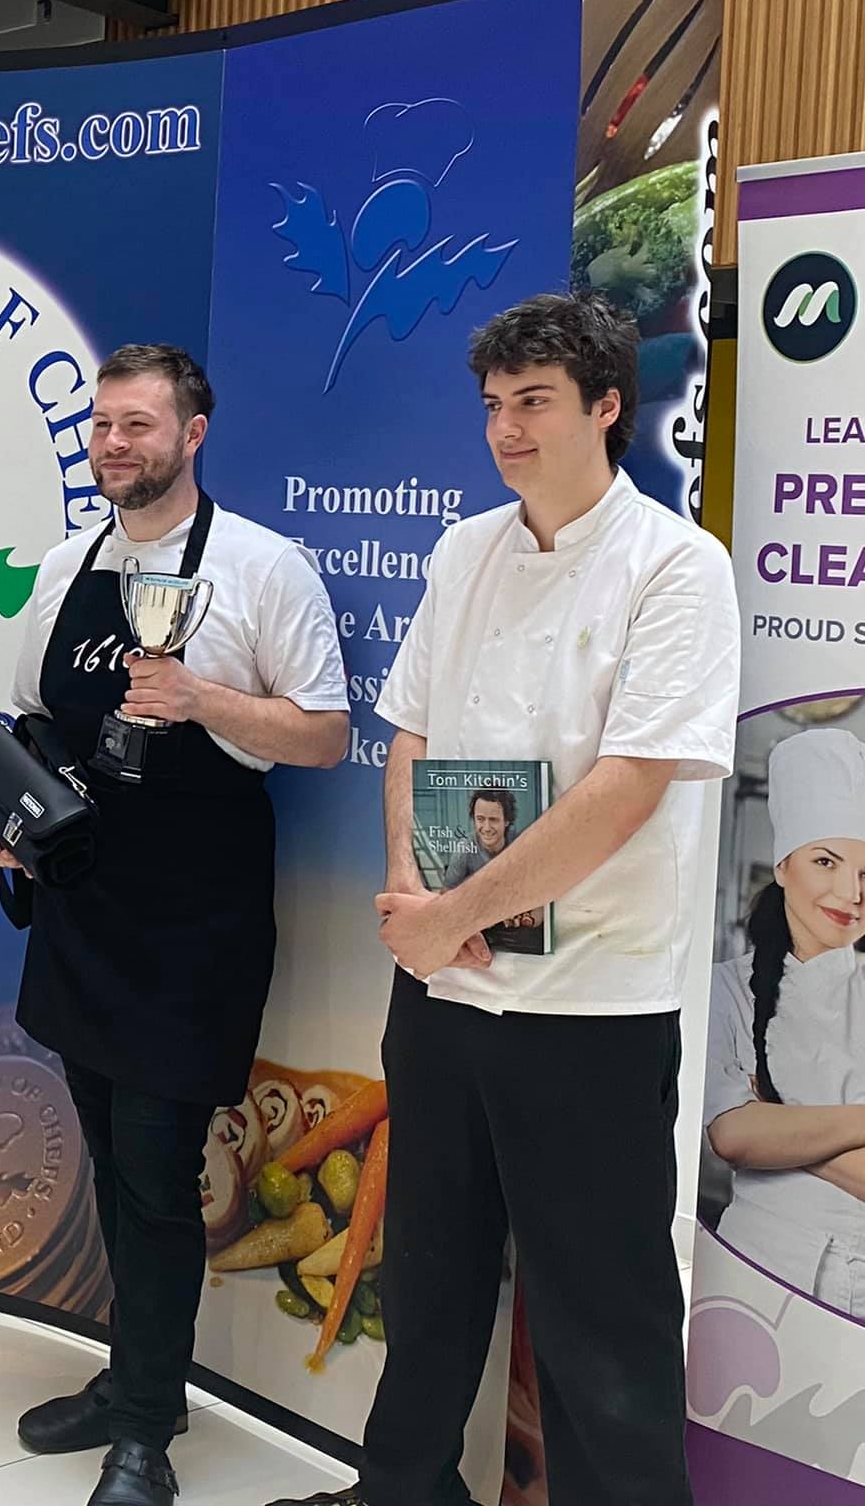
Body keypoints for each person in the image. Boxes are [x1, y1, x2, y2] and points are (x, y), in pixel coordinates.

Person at [267, 292, 740, 1506]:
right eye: (491, 405)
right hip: (441, 988)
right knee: (426, 1282)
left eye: (533, 402)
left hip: (590, 1006)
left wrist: (454, 906)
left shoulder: (675, 567)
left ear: (603, 407)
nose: (505, 430)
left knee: (601, 1324)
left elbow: (627, 785)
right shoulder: (462, 548)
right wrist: (411, 895)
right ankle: (401, 1492)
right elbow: (409, 734)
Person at [0, 344, 350, 1506]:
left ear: (194, 434)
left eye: (137, 425)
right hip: (84, 909)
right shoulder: (63, 566)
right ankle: (134, 1377)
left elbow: (323, 734)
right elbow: (34, 720)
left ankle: (144, 1427)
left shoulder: (258, 568)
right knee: (105, 1157)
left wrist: (202, 699)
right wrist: (5, 819)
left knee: (155, 1174)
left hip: (192, 923)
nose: (112, 444)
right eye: (99, 425)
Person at [706, 727, 865, 1313]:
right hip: (757, 1272)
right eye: (827, 861)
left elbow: (751, 1134)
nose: (850, 893)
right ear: (783, 865)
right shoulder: (725, 990)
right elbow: (733, 1136)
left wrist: (782, 1126)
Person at [442, 787, 515, 886]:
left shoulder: (518, 842)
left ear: (507, 821)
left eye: (493, 819)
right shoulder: (465, 848)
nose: (487, 828)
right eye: (480, 819)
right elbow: (446, 892)